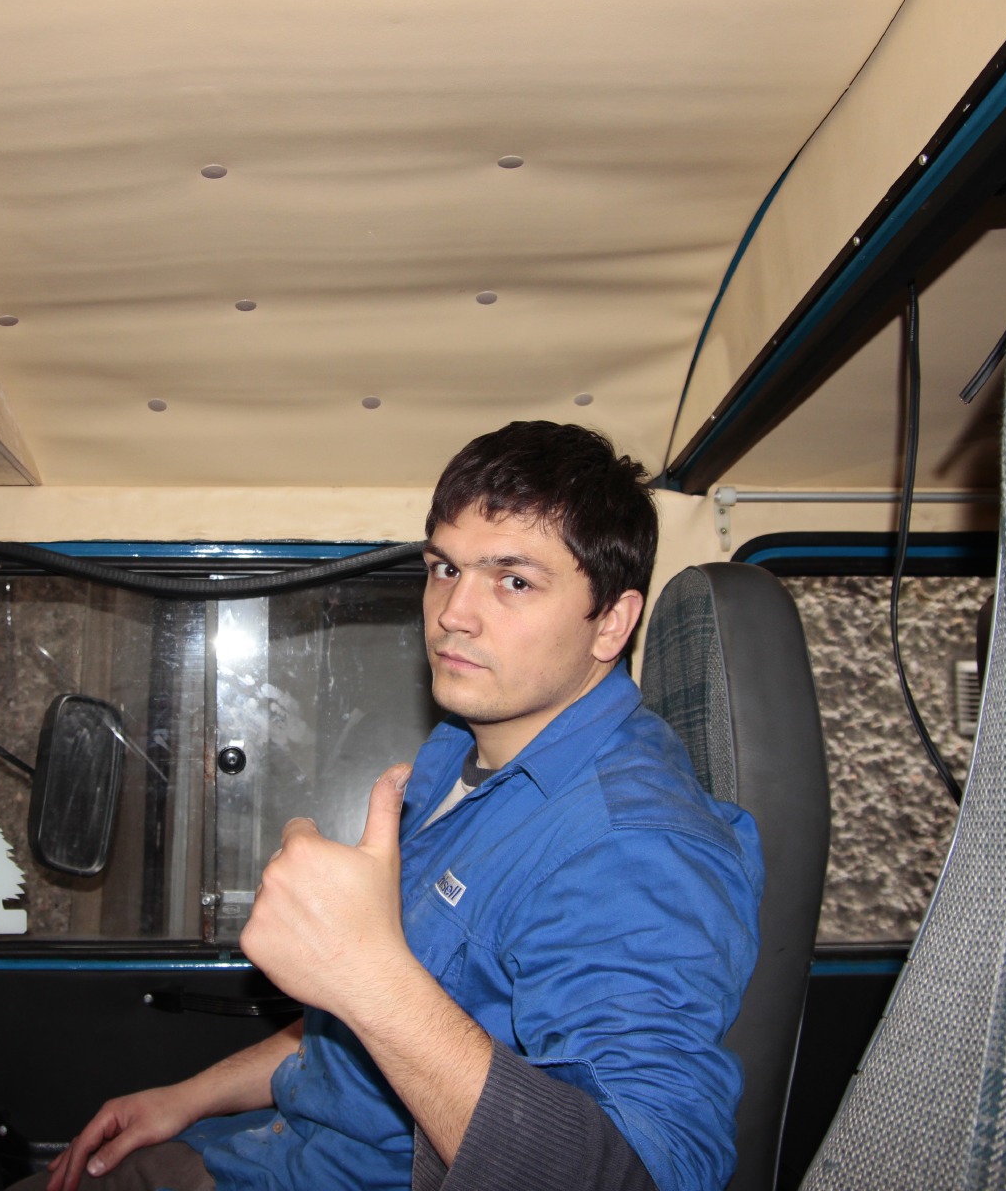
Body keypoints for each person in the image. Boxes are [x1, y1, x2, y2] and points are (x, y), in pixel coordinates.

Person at [38, 421, 763, 1191]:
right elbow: (358, 1042)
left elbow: (645, 1176)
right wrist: (187, 1098)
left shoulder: (634, 846)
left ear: (611, 622)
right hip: (264, 1150)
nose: (453, 612)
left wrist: (366, 972)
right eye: (445, 568)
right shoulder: (457, 751)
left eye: (514, 581)